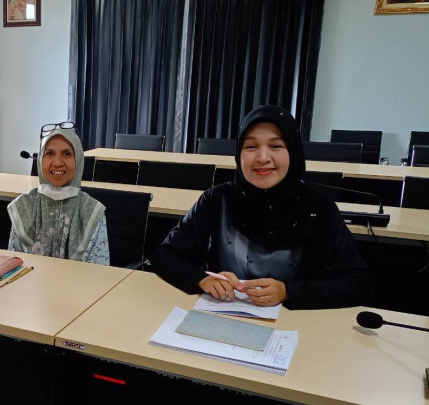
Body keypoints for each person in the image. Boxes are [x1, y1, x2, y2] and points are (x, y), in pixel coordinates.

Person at [151, 105, 374, 310]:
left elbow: (359, 283)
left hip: (297, 323)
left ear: (293, 152)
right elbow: (164, 255)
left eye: (276, 146)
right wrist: (202, 279)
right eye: (251, 146)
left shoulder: (318, 205)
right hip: (224, 314)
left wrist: (288, 291)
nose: (263, 157)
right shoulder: (217, 199)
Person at [7, 124, 109, 265]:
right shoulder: (23, 206)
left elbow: (99, 270)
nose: (57, 163)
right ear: (40, 160)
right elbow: (14, 265)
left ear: (78, 160)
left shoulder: (92, 211)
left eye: (67, 154)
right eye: (49, 154)